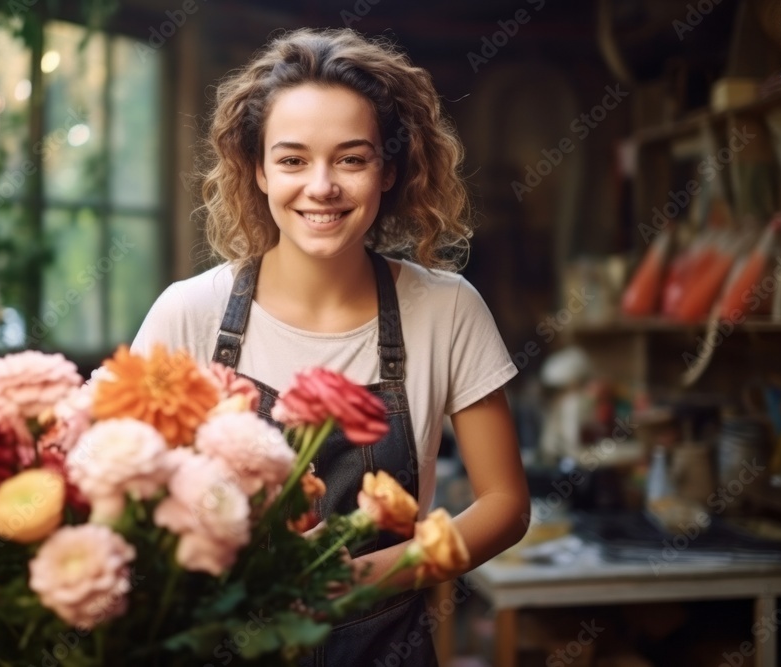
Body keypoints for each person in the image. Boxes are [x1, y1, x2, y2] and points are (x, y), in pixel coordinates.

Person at [132, 27, 529, 667]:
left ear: (389, 169)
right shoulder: (190, 312)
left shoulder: (447, 308)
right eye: (292, 160)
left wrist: (365, 580)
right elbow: (120, 493)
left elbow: (506, 506)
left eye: (351, 158)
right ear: (258, 170)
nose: (322, 187)